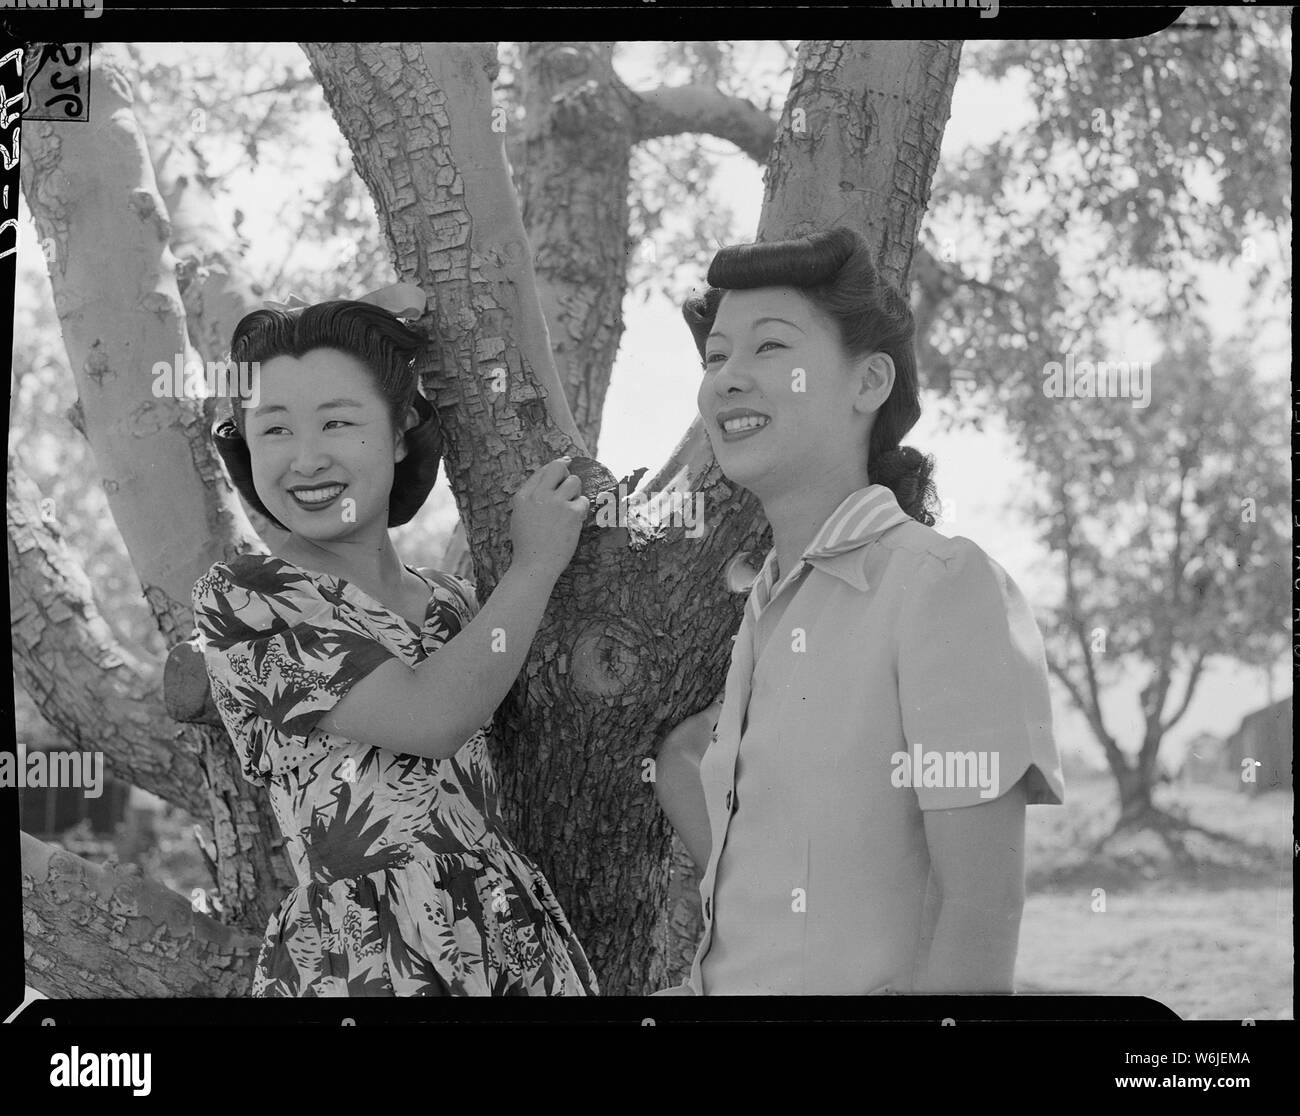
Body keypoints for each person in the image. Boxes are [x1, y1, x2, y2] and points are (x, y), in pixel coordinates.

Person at [653, 228, 1064, 995]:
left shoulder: (943, 587)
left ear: (867, 382)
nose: (727, 379)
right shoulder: (768, 605)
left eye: (771, 347)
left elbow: (980, 910)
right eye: (716, 357)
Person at [191, 289, 597, 996]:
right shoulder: (246, 600)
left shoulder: (452, 603)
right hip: (367, 959)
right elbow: (429, 719)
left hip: (508, 941)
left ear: (402, 428)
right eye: (275, 430)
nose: (306, 458)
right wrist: (536, 563)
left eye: (338, 421)